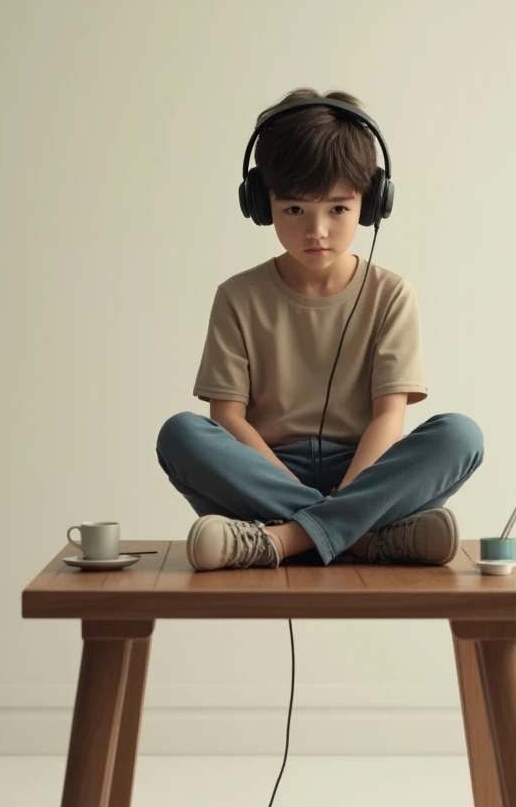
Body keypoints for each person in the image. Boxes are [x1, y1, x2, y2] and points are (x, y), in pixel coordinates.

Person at [156, 88, 484, 571]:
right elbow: (227, 418)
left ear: (370, 205)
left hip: (366, 471)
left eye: (337, 209)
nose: (317, 231)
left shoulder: (391, 295)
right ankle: (365, 540)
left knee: (461, 436)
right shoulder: (237, 296)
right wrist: (334, 510)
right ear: (261, 203)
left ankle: (284, 540)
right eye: (294, 210)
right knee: (180, 434)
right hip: (263, 471)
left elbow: (387, 419)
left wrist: (348, 494)